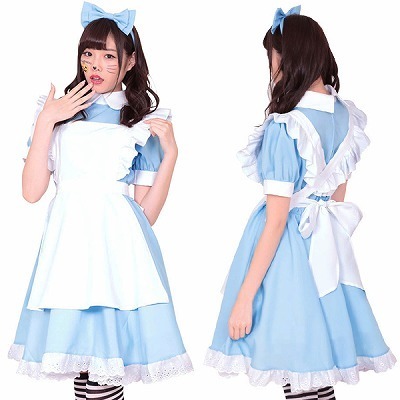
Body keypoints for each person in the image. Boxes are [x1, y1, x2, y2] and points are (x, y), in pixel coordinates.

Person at [205, 5, 396, 400]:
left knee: (299, 371)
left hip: (285, 254)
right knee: (316, 369)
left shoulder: (286, 125)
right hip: (328, 247)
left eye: (273, 58)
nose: (272, 69)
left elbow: (277, 221)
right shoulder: (347, 117)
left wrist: (244, 297)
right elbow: (337, 199)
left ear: (287, 58)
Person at [8, 2, 193, 399]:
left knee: (103, 373)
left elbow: (145, 214)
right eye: (88, 54)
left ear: (129, 63)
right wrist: (46, 120)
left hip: (116, 255)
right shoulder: (58, 113)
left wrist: (171, 157)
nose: (95, 64)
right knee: (82, 370)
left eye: (109, 56)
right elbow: (32, 191)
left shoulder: (140, 121)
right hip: (68, 252)